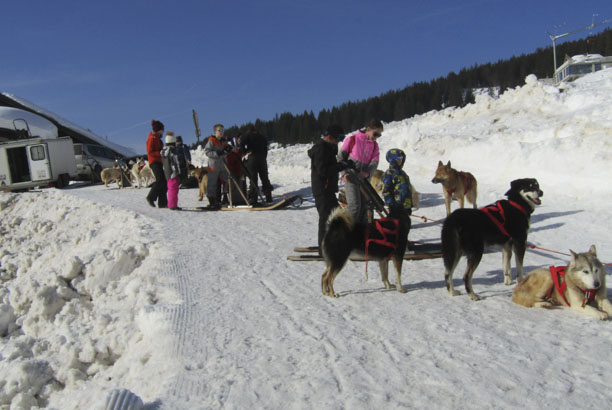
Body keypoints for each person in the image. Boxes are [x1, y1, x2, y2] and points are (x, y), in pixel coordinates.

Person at [308, 124, 351, 253]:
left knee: (337, 217)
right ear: (329, 137)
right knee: (325, 218)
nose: (339, 141)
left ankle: (334, 243)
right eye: (339, 138)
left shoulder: (328, 148)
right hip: (322, 190)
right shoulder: (321, 149)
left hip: (327, 190)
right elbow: (323, 171)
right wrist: (341, 165)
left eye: (342, 138)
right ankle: (323, 248)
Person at [337, 119, 382, 223]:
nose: (376, 137)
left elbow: (375, 162)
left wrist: (367, 173)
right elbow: (340, 158)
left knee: (364, 208)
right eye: (375, 134)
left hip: (364, 180)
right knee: (354, 207)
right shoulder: (353, 139)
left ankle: (361, 234)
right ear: (368, 129)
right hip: (351, 178)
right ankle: (347, 232)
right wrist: (344, 174)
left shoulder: (374, 145)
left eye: (379, 135)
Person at [240, 125, 273, 204]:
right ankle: (268, 196)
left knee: (253, 178)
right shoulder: (262, 136)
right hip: (262, 159)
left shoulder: (248, 135)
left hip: (253, 158)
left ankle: (253, 198)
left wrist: (244, 152)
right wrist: (264, 156)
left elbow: (242, 144)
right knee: (265, 178)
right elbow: (266, 148)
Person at [382, 148, 413, 232]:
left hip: (405, 204)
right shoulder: (389, 173)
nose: (400, 161)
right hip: (396, 206)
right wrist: (391, 203)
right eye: (398, 159)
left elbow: (407, 189)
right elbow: (386, 190)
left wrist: (409, 205)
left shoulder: (403, 173)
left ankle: (404, 241)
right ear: (392, 160)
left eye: (402, 159)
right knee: (397, 227)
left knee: (406, 225)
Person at [204, 123, 230, 208]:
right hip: (213, 165)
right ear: (215, 132)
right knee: (212, 183)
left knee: (229, 179)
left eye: (223, 130)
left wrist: (228, 150)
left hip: (222, 165)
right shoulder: (211, 141)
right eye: (220, 130)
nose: (222, 132)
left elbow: (226, 151)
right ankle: (212, 201)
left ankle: (225, 197)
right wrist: (217, 153)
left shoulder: (223, 141)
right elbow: (207, 152)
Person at [146, 120, 167, 208]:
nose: (163, 131)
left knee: (164, 181)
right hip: (154, 161)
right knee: (160, 180)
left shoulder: (157, 138)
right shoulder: (152, 138)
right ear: (159, 130)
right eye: (162, 129)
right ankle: (150, 197)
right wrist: (160, 153)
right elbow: (150, 151)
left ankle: (162, 203)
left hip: (158, 161)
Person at [161, 131, 182, 210]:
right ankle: (173, 205)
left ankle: (171, 204)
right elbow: (176, 162)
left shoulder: (164, 151)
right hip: (173, 172)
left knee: (170, 188)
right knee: (174, 188)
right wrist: (178, 171)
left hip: (167, 172)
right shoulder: (172, 151)